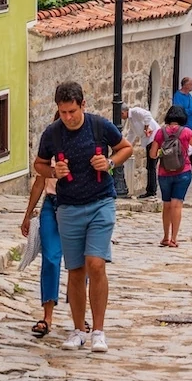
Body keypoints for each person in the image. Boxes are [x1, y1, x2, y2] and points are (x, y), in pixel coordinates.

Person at [35, 81, 132, 353]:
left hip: (101, 201)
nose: (67, 117)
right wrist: (54, 172)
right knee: (75, 270)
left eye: (72, 111)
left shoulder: (99, 126)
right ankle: (78, 330)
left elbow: (125, 147)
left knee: (96, 263)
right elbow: (39, 164)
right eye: (63, 112)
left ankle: (98, 331)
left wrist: (110, 163)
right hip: (68, 207)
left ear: (83, 105)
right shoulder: (53, 134)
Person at [17, 148, 62, 338]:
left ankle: (80, 315)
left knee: (80, 262)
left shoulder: (84, 144)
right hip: (51, 205)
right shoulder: (51, 149)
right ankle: (47, 316)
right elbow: (39, 183)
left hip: (78, 206)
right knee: (51, 258)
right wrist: (28, 214)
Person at [150, 104, 192, 247]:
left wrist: (163, 152)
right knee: (177, 205)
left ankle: (165, 237)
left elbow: (153, 154)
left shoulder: (160, 132)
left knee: (167, 205)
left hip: (164, 172)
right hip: (183, 172)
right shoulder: (186, 132)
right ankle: (174, 238)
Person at [122, 102, 160, 199]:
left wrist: (146, 127)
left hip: (153, 138)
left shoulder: (135, 111)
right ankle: (151, 189)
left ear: (124, 112)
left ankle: (151, 190)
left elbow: (147, 115)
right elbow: (132, 133)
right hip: (148, 140)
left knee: (151, 165)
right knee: (150, 166)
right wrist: (126, 144)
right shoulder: (131, 120)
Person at [172, 77, 192, 173]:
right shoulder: (178, 96)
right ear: (185, 85)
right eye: (191, 84)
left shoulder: (189, 95)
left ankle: (191, 168)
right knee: (185, 148)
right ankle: (185, 168)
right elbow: (180, 110)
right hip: (187, 125)